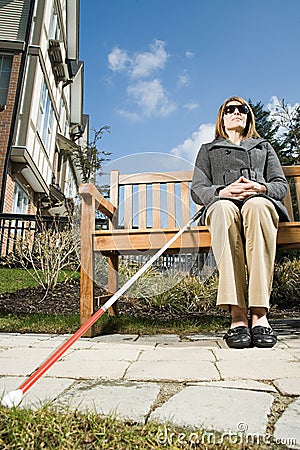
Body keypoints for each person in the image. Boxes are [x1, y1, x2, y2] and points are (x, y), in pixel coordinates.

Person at [191, 96, 289, 349]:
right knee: (222, 210)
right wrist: (221, 192)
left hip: (259, 206)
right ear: (222, 118)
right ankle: (237, 315)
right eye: (229, 109)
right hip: (224, 207)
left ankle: (259, 315)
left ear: (248, 117)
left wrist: (260, 187)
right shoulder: (208, 150)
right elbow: (198, 189)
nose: (236, 112)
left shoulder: (263, 147)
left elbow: (281, 185)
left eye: (242, 109)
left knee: (257, 206)